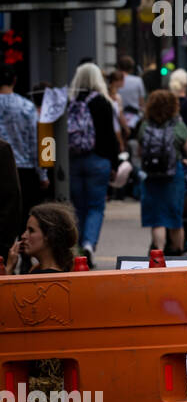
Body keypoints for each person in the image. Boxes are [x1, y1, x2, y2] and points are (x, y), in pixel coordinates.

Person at [66, 62, 121, 268]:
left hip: (73, 160)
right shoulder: (102, 102)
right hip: (99, 161)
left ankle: (78, 250)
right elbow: (110, 137)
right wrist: (114, 164)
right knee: (96, 206)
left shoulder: (70, 101)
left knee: (78, 206)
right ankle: (89, 244)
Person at [138, 89, 187, 254]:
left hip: (151, 175)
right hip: (173, 175)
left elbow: (140, 152)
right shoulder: (178, 125)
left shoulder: (145, 125)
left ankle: (158, 253)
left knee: (157, 219)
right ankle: (178, 253)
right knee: (175, 219)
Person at [0, 64, 48, 221]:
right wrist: (43, 174)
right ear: (15, 80)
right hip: (23, 170)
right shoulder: (27, 107)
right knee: (23, 217)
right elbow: (36, 142)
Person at [5, 202, 78, 275]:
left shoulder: (41, 278)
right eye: (26, 230)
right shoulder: (66, 271)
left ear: (49, 236)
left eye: (31, 230)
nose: (23, 236)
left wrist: (9, 268)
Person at [116, 56, 146, 134]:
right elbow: (141, 102)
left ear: (119, 67)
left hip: (118, 117)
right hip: (134, 117)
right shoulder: (138, 81)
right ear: (131, 68)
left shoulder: (115, 81)